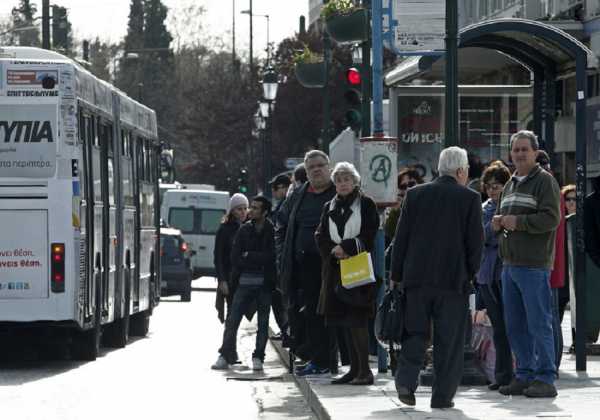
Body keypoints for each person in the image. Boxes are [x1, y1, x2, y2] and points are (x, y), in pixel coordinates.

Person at [391, 146, 483, 409]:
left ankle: (406, 382)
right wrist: (471, 273)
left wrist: (397, 275)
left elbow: (402, 239)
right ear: (461, 171)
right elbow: (475, 244)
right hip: (453, 282)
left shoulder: (415, 195)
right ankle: (442, 397)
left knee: (414, 333)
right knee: (449, 341)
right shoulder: (469, 198)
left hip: (416, 280)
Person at [492, 130, 561, 398]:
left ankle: (545, 377)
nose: (520, 154)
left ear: (535, 152)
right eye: (516, 150)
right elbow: (505, 222)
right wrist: (497, 224)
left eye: (525, 149)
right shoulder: (509, 184)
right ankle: (524, 374)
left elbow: (552, 219)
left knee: (539, 322)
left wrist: (517, 222)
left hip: (533, 265)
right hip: (509, 265)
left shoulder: (545, 182)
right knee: (515, 324)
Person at [315, 162, 379, 385]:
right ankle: (353, 369)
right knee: (344, 320)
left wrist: (348, 247)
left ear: (355, 182)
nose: (342, 184)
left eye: (346, 179)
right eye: (339, 180)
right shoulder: (329, 206)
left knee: (357, 319)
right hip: (334, 269)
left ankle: (365, 371)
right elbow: (320, 234)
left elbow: (370, 233)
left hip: (358, 268)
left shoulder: (367, 204)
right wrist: (333, 250)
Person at [276, 150, 337, 376]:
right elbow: (281, 225)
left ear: (329, 167)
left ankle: (334, 360)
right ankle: (317, 359)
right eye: (312, 167)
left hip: (334, 264)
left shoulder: (339, 191)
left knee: (335, 313)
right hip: (304, 265)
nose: (317, 170)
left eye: (321, 165)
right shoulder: (298, 195)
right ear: (306, 171)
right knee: (310, 312)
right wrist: (282, 254)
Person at [212, 196, 275, 371]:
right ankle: (226, 354)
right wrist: (223, 279)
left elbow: (271, 257)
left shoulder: (270, 230)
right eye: (245, 208)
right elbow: (232, 257)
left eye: (252, 208)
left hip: (264, 284)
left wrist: (250, 256)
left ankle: (258, 357)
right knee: (232, 320)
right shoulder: (240, 230)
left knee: (262, 323)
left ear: (264, 212)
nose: (248, 211)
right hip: (240, 282)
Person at [476, 162, 513, 390]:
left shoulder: (511, 206)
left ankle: (514, 373)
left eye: (497, 186)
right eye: (488, 186)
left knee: (512, 326)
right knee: (498, 327)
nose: (492, 190)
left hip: (505, 270)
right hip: (487, 274)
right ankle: (501, 375)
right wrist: (493, 228)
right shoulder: (483, 208)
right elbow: (481, 236)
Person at [536, 150, 567, 374]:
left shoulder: (547, 186)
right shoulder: (552, 185)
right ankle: (552, 363)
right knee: (551, 315)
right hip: (552, 262)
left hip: (548, 262)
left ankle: (552, 364)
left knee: (550, 316)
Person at [214, 193, 248, 324]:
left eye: (245, 208)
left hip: (246, 278)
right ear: (232, 211)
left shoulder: (249, 227)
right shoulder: (224, 230)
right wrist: (222, 280)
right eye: (239, 209)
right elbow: (218, 257)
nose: (243, 212)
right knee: (232, 314)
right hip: (230, 278)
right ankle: (228, 344)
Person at [269, 173, 292, 343]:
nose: (274, 193)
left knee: (280, 300)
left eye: (275, 189)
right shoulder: (283, 206)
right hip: (280, 260)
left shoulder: (286, 206)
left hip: (281, 261)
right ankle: (286, 330)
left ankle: (287, 330)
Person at [384, 167, 424, 246]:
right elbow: (389, 235)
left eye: (411, 184)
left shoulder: (427, 204)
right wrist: (396, 211)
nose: (408, 189)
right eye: (403, 186)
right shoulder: (395, 209)